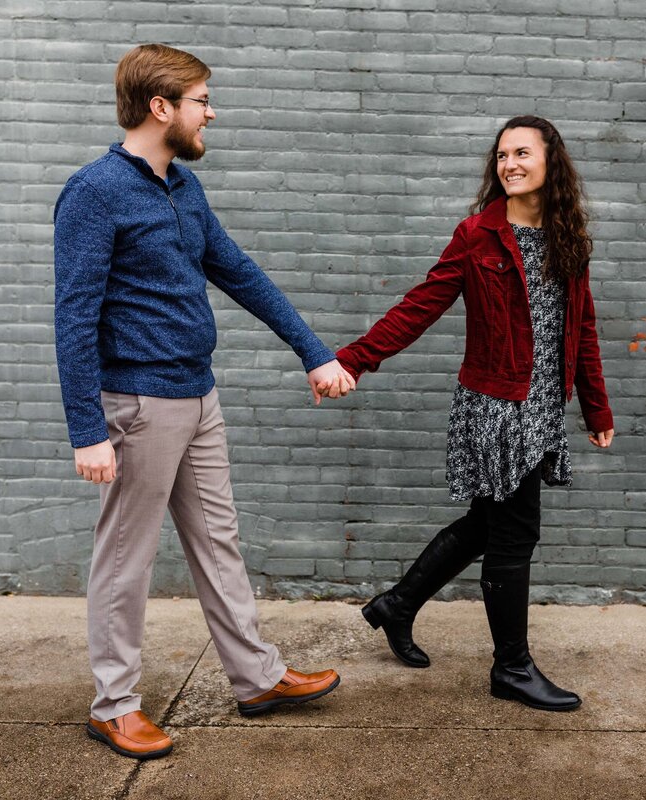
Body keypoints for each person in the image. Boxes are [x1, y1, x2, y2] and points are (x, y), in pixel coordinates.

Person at [54, 43, 354, 760]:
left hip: (198, 395)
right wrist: (86, 429)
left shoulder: (182, 188)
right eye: (201, 100)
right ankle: (114, 704)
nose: (210, 112)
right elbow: (73, 317)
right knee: (125, 559)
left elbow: (237, 271)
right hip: (137, 405)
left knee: (219, 542)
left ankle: (256, 678)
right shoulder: (95, 192)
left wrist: (313, 350)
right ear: (161, 108)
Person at [337, 116, 614, 712]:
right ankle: (510, 668)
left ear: (550, 161)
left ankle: (397, 605)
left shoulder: (570, 238)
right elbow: (421, 305)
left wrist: (595, 406)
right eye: (501, 155)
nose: (509, 164)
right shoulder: (477, 236)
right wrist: (355, 360)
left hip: (543, 409)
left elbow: (580, 329)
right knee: (514, 535)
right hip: (496, 407)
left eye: (521, 152)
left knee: (487, 525)